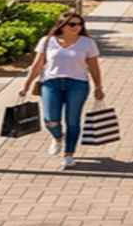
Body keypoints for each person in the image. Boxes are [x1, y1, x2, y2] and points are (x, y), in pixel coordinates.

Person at [19, 11, 103, 169]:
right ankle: (58, 137)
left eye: (80, 24)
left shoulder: (87, 43)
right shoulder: (47, 41)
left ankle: (69, 155)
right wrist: (26, 85)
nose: (77, 27)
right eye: (72, 24)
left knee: (73, 121)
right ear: (62, 26)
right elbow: (37, 65)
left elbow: (94, 67)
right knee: (50, 119)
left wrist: (99, 87)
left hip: (78, 84)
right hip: (51, 83)